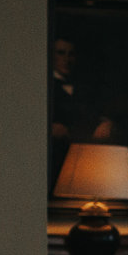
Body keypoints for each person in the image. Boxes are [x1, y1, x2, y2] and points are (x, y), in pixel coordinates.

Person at [48, 34, 114, 189]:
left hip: (84, 159)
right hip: (54, 160)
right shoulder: (44, 86)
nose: (66, 59)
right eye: (61, 53)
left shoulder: (86, 87)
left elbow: (95, 113)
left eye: (71, 54)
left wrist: (107, 123)